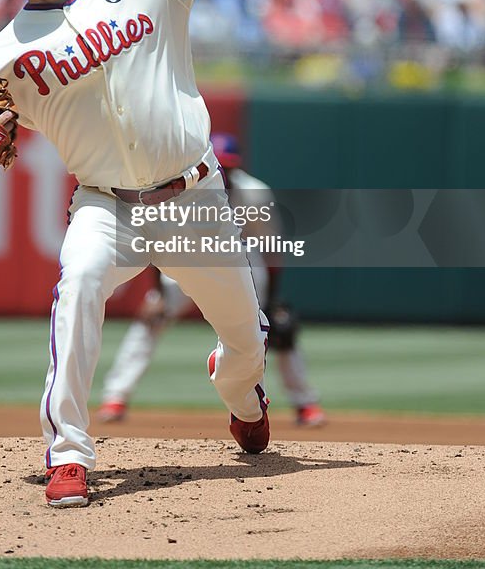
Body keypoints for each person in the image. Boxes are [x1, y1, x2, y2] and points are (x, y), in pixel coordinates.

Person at [0, 0, 270, 509]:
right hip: (105, 206)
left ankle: (241, 393)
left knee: (246, 344)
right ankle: (68, 454)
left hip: (195, 197)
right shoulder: (1, 56)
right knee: (79, 285)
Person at [99, 132, 326, 428]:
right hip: (185, 256)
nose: (225, 170)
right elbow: (157, 242)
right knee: (150, 319)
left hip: (240, 260)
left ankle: (304, 403)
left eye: (229, 165)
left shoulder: (254, 193)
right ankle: (116, 396)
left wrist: (271, 302)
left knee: (277, 327)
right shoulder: (181, 190)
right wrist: (158, 295)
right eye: (220, 164)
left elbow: (270, 251)